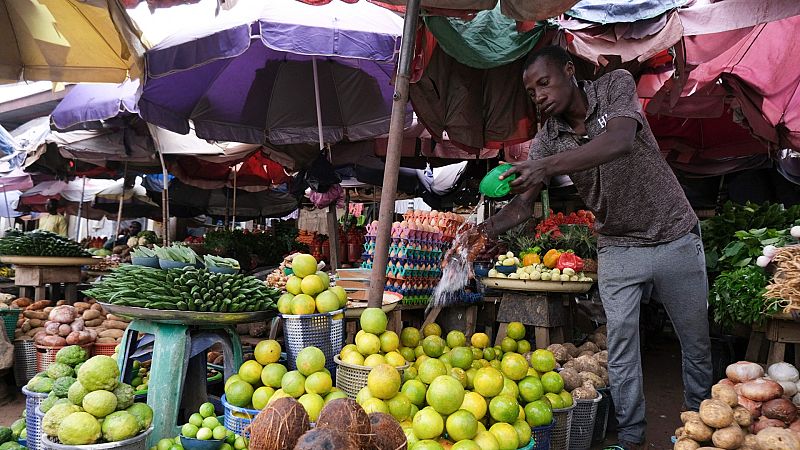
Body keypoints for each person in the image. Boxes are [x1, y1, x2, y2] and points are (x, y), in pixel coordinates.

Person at [452, 46, 712, 450]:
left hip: (673, 233)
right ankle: (631, 437)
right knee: (622, 346)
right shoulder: (546, 141)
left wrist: (545, 168)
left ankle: (704, 431)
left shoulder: (614, 87)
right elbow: (522, 206)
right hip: (618, 244)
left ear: (569, 71)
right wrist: (479, 231)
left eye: (544, 83)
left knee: (694, 342)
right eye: (531, 90)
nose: (538, 95)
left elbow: (621, 140)